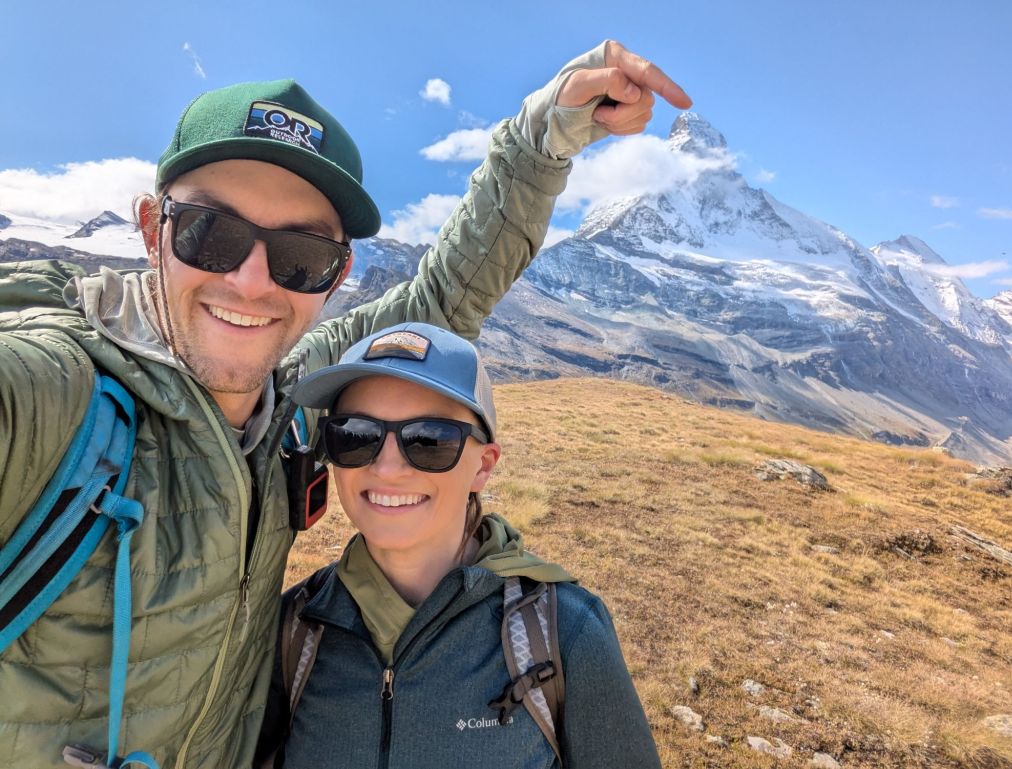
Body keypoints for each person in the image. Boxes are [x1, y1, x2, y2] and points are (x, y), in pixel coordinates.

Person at [0, 42, 689, 768]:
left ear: (335, 276)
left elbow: (441, 299)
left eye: (300, 254)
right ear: (152, 230)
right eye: (213, 234)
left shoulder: (289, 390)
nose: (252, 281)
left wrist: (538, 139)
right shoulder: (58, 389)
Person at [256, 322, 662, 768]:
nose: (387, 468)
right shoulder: (294, 630)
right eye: (355, 435)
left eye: (429, 440)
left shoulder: (564, 632)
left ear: (483, 466)